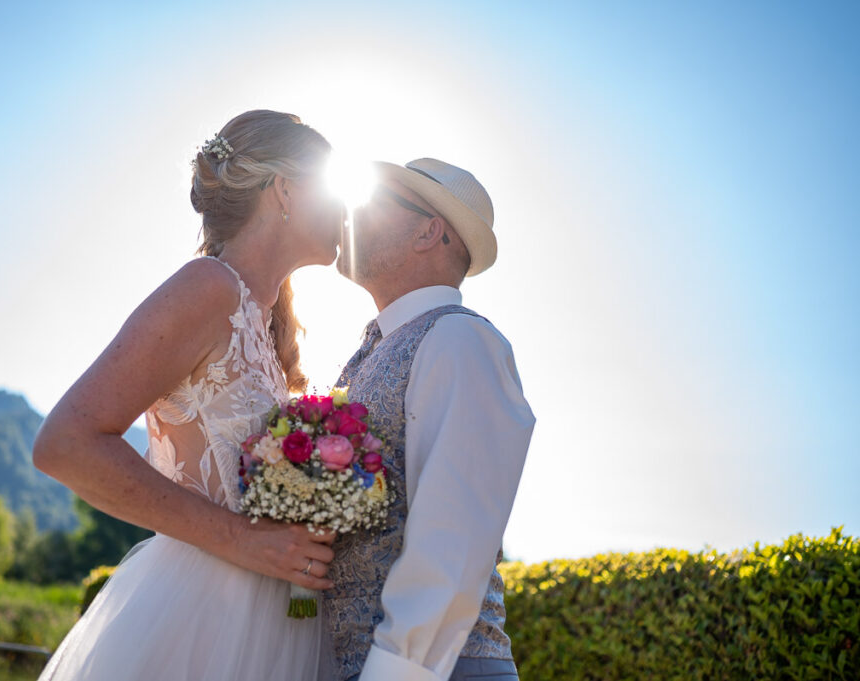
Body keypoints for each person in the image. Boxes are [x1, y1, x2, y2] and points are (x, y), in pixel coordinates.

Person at [31, 110, 344, 680]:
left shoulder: (269, 322)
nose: (347, 209)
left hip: (278, 626)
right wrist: (242, 540)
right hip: (200, 620)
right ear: (285, 191)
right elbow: (64, 444)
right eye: (334, 188)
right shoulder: (206, 288)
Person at [323, 158, 536, 681]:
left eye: (373, 203)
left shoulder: (461, 340)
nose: (350, 214)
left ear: (429, 231)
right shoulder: (376, 349)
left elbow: (452, 538)